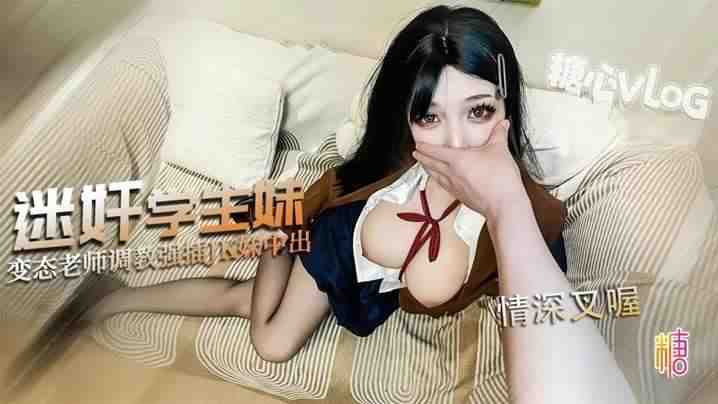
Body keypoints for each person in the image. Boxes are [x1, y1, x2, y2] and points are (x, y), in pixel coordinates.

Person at [12, 6, 635, 403]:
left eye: (478, 111)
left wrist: (505, 213)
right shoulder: (366, 195)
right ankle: (118, 295)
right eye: (429, 116)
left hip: (379, 282)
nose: (456, 142)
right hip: (332, 247)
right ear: (405, 120)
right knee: (267, 336)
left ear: (506, 109)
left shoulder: (530, 219)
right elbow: (341, 195)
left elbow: (544, 329)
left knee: (258, 308)